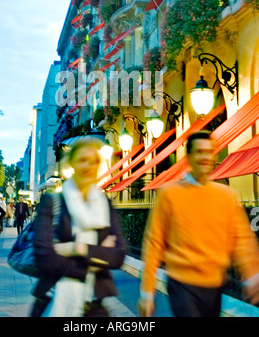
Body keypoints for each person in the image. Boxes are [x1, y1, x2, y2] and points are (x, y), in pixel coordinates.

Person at [138, 131, 259, 318]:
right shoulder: (169, 194)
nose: (205, 157)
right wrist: (147, 290)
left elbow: (242, 238)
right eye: (199, 152)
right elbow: (154, 242)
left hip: (215, 284)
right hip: (181, 283)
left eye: (209, 152)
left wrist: (252, 275)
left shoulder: (226, 195)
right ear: (189, 157)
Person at [31, 137, 127, 317]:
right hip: (53, 298)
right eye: (83, 160)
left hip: (94, 305)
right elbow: (44, 256)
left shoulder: (104, 203)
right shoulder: (52, 202)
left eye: (94, 161)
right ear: (72, 163)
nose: (88, 166)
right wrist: (97, 258)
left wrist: (78, 248)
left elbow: (118, 256)